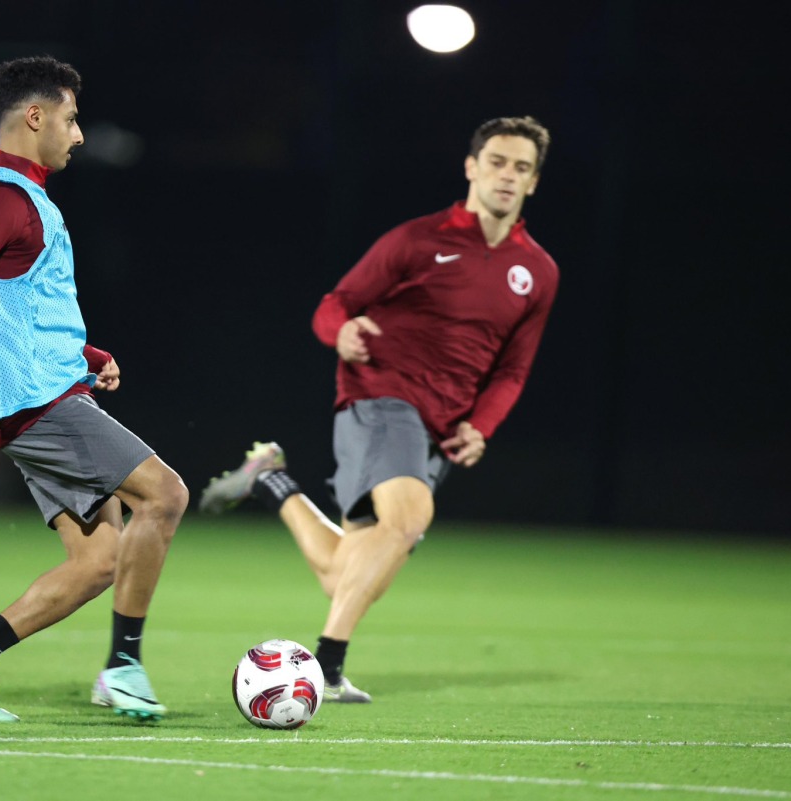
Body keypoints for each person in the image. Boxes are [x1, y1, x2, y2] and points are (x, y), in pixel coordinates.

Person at [200, 116, 558, 703]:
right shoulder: (419, 239)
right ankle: (328, 668)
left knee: (348, 570)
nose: (506, 175)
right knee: (409, 517)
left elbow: (514, 369)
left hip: (442, 427)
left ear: (534, 182)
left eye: (521, 167)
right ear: (472, 166)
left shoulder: (538, 271)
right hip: (381, 395)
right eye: (496, 160)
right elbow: (334, 304)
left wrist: (481, 426)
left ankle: (271, 479)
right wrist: (340, 334)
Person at [0, 55, 188, 723]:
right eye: (72, 119)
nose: (78, 135)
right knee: (165, 493)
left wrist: (88, 355)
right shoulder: (1, 198)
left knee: (101, 559)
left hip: (48, 395)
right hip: (39, 406)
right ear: (36, 116)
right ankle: (123, 666)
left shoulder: (24, 200)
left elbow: (15, 314)